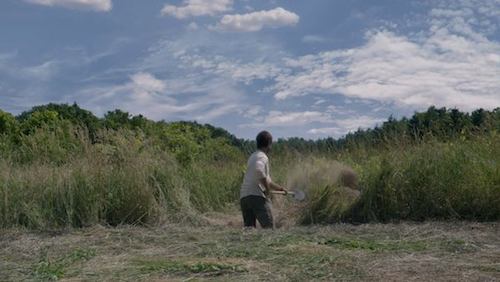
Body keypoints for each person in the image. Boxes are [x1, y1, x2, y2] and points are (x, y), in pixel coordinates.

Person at [240, 131, 288, 229]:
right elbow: (259, 170)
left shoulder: (253, 156)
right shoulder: (262, 156)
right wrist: (267, 190)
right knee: (269, 228)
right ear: (269, 144)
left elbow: (267, 180)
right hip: (256, 196)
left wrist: (280, 189)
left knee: (249, 229)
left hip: (244, 197)